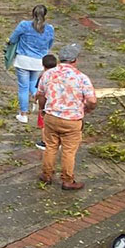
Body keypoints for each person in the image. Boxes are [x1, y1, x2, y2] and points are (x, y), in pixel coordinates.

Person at [34, 43, 95, 191]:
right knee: (68, 151)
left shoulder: (48, 74)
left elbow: (40, 95)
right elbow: (92, 100)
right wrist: (87, 108)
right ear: (75, 60)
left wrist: (42, 110)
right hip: (72, 120)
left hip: (51, 116)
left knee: (50, 147)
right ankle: (67, 180)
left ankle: (46, 175)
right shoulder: (81, 78)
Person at [8, 5, 54, 124]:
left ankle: (23, 114)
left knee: (23, 88)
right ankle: (37, 101)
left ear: (32, 13)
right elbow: (49, 44)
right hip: (39, 61)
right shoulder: (50, 29)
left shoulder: (24, 25)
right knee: (34, 84)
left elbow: (13, 39)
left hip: (23, 60)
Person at [34, 53, 58, 137]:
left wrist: (40, 107)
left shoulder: (43, 76)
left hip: (46, 104)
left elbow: (40, 93)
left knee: (44, 125)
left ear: (43, 65)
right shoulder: (60, 75)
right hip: (58, 104)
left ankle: (44, 140)